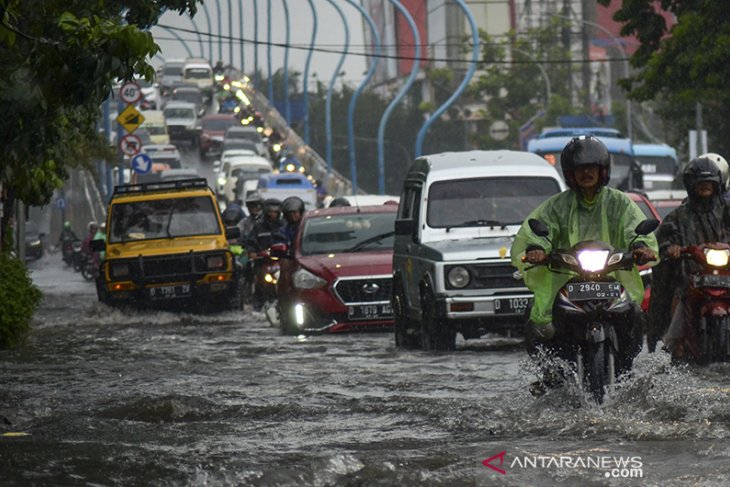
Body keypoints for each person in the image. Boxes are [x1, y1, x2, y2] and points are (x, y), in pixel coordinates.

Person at [511, 135, 658, 389]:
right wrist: (537, 249)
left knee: (634, 314)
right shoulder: (557, 206)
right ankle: (552, 374)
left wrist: (640, 246)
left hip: (612, 277)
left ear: (603, 170)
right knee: (537, 321)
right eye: (581, 168)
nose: (587, 172)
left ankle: (626, 366)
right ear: (570, 173)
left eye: (592, 167)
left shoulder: (619, 202)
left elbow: (636, 228)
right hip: (566, 280)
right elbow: (539, 230)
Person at [648, 157, 730, 357]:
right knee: (677, 294)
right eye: (701, 183)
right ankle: (673, 343)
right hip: (690, 277)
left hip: (726, 275)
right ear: (691, 185)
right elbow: (662, 240)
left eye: (709, 183)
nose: (705, 187)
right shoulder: (678, 216)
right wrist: (671, 249)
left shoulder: (726, 211)